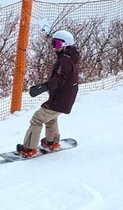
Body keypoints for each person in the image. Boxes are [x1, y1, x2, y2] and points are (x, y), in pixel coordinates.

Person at [16, 30, 80, 158]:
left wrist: (45, 86)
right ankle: (52, 142)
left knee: (37, 119)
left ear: (66, 45)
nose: (54, 47)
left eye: (56, 44)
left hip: (60, 98)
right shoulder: (71, 58)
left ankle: (29, 148)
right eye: (53, 43)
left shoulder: (64, 61)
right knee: (51, 117)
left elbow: (59, 79)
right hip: (65, 97)